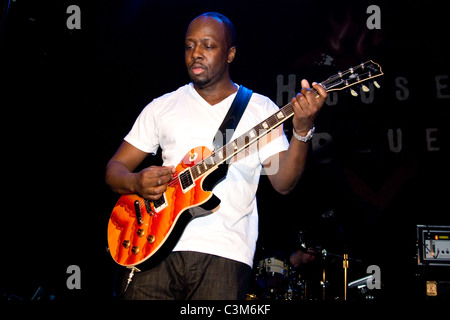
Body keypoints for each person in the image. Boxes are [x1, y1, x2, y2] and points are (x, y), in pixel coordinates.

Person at [105, 12, 327, 300]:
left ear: (230, 53)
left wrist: (302, 129)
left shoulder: (261, 109)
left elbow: (283, 182)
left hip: (225, 253)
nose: (196, 54)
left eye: (208, 46)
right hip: (154, 250)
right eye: (189, 46)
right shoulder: (162, 106)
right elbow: (115, 169)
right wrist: (135, 183)